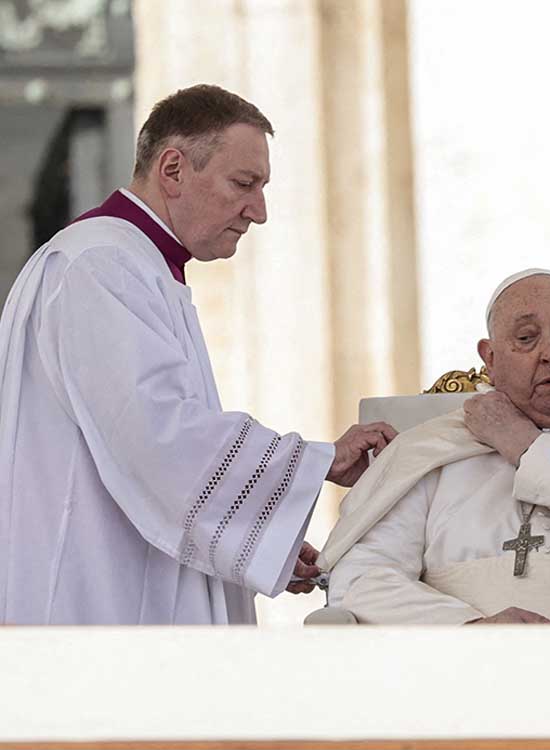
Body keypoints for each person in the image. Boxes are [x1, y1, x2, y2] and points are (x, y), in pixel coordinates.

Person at [0, 84, 396, 625]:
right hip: (97, 602)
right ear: (173, 169)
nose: (258, 211)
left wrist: (263, 542)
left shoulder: (130, 263)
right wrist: (318, 461)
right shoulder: (99, 266)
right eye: (244, 184)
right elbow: (157, 439)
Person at [321, 269, 550, 624]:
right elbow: (360, 579)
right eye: (526, 338)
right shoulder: (432, 448)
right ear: (491, 359)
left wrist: (521, 442)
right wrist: (470, 627)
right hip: (464, 673)